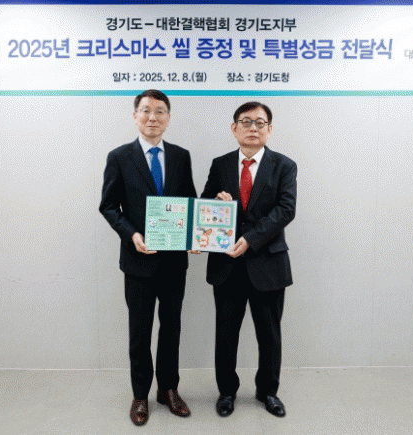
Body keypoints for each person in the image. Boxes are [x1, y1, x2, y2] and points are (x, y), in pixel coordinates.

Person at [99, 89, 197, 426]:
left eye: (159, 111)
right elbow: (108, 206)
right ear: (135, 116)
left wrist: (194, 234)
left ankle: (168, 390)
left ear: (168, 118)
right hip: (138, 260)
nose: (152, 117)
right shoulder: (119, 157)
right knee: (140, 332)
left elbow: (189, 201)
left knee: (171, 329)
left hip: (174, 261)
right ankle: (140, 394)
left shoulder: (181, 156)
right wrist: (131, 234)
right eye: (145, 110)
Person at [201, 102, 297, 418]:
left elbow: (286, 210)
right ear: (234, 128)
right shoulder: (220, 165)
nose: (253, 128)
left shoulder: (284, 166)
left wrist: (251, 239)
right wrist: (215, 202)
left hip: (267, 263)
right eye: (246, 122)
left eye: (260, 122)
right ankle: (226, 392)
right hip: (227, 264)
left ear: (269, 129)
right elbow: (204, 205)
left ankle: (268, 391)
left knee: (269, 335)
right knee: (226, 334)